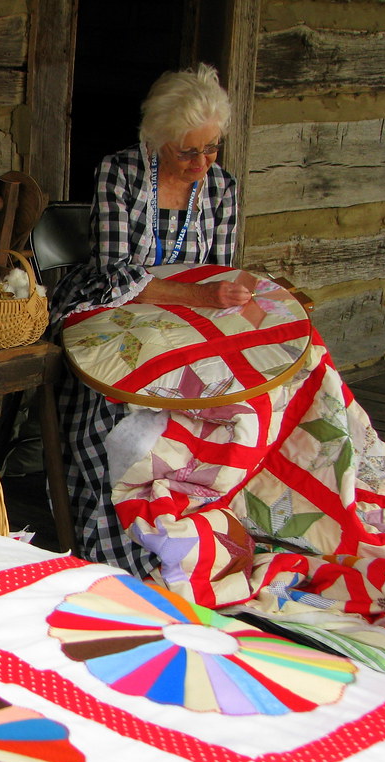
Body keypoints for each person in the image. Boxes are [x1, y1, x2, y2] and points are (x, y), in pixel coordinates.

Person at [52, 63, 251, 576]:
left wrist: (223, 294)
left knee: (231, 401)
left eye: (211, 149)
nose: (202, 163)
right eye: (188, 150)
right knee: (117, 410)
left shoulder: (222, 187)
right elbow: (116, 277)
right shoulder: (118, 173)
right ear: (158, 138)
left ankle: (195, 529)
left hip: (185, 322)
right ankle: (125, 547)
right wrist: (201, 295)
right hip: (112, 315)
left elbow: (217, 272)